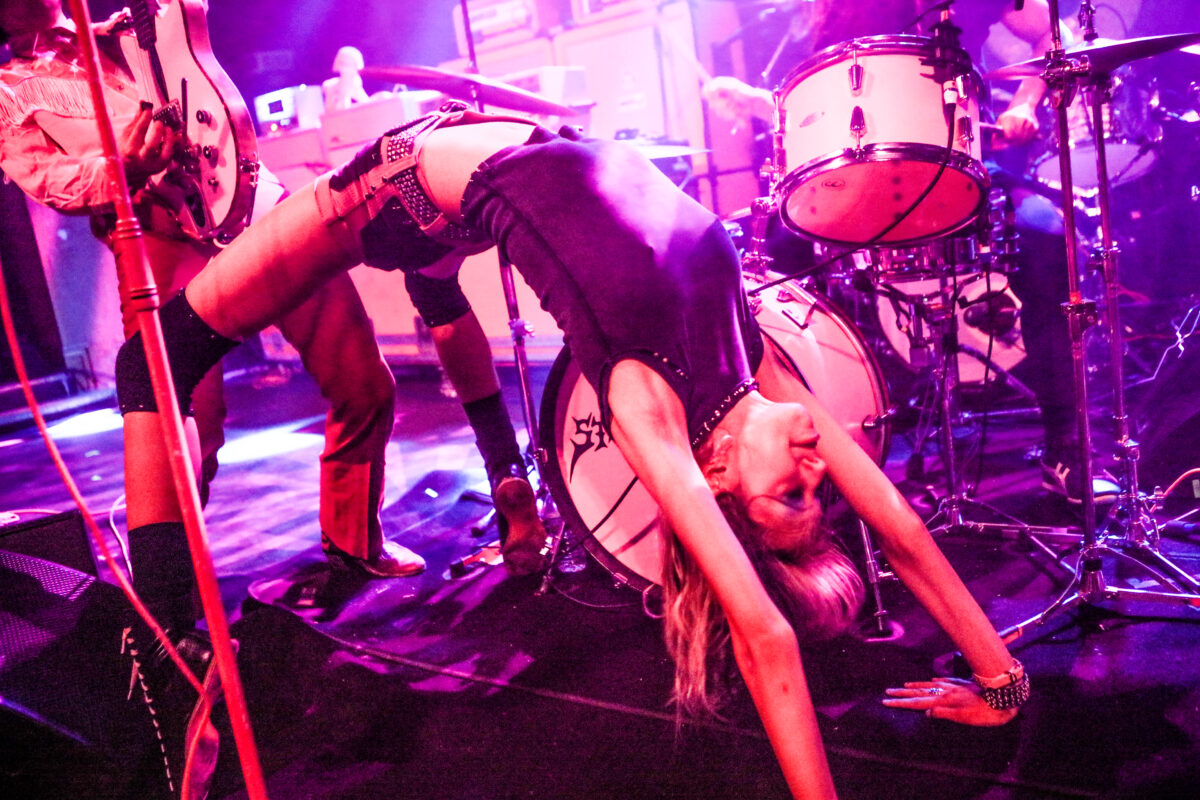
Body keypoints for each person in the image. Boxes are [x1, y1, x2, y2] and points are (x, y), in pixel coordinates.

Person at [113, 99, 1030, 799]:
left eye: (792, 499)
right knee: (439, 298)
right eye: (818, 492)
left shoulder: (648, 398)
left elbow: (765, 636)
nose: (818, 472)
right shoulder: (756, 381)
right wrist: (999, 682)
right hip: (483, 164)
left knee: (148, 361)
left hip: (390, 187)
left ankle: (159, 664)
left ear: (716, 480)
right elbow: (901, 526)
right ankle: (505, 469)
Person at [0, 2, 542, 796]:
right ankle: (169, 616)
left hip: (252, 205)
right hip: (152, 236)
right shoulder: (11, 92)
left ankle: (351, 541)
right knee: (188, 425)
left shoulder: (127, 26)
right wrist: (125, 166)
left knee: (365, 381)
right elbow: (55, 182)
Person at [703, 0, 1120, 505]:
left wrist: (1024, 103)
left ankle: (1066, 449)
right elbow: (815, 108)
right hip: (856, 185)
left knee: (1049, 238)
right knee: (763, 269)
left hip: (963, 167)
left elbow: (1048, 35)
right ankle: (792, 456)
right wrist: (756, 102)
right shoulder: (832, 12)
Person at [322, 45, 369, 112]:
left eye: (347, 64)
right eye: (342, 63)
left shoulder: (355, 83)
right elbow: (329, 110)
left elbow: (366, 104)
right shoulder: (329, 85)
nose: (343, 68)